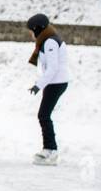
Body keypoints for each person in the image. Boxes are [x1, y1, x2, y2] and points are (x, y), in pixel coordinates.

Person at [26, 13, 70, 165]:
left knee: (43, 115)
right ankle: (49, 148)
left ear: (38, 29)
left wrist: (39, 85)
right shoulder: (48, 40)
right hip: (54, 82)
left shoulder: (50, 42)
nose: (31, 34)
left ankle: (51, 150)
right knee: (44, 115)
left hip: (56, 82)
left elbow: (52, 68)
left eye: (32, 31)